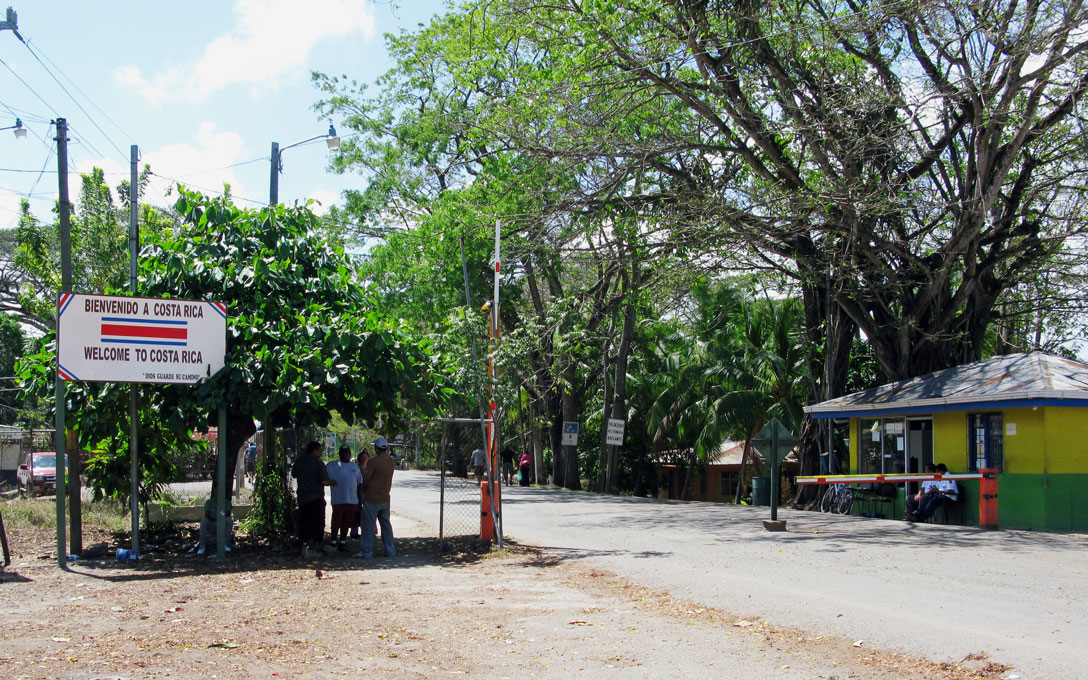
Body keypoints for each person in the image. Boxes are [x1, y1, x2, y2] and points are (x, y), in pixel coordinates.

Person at [292, 440, 337, 559]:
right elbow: (324, 481)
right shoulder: (318, 463)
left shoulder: (299, 461)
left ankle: (303, 546)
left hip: (303, 498)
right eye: (320, 450)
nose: (321, 452)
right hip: (315, 498)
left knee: (304, 523)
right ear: (315, 450)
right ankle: (312, 549)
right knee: (316, 524)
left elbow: (294, 474)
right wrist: (334, 482)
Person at [356, 437, 395, 559]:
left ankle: (366, 552)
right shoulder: (391, 462)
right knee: (386, 526)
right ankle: (390, 551)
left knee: (368, 526)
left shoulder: (373, 462)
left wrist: (364, 490)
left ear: (377, 448)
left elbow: (366, 479)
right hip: (385, 498)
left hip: (372, 498)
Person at [326, 445, 363, 551]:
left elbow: (360, 483)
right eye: (343, 453)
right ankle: (333, 541)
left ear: (350, 454)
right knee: (336, 521)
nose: (345, 455)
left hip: (351, 500)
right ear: (339, 454)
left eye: (347, 453)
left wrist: (360, 500)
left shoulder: (354, 467)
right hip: (338, 499)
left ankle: (343, 541)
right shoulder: (331, 466)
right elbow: (324, 478)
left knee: (347, 522)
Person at [197, 484, 233, 556]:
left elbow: (227, 514)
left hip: (222, 525)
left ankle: (225, 544)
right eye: (217, 491)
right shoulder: (209, 502)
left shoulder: (227, 502)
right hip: (212, 525)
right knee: (204, 520)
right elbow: (207, 515)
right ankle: (202, 546)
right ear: (214, 492)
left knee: (229, 520)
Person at [350, 449, 370, 539]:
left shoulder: (369, 468)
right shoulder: (356, 468)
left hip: (367, 492)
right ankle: (354, 531)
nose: (364, 459)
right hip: (357, 492)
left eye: (366, 457)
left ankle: (365, 531)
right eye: (363, 458)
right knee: (356, 512)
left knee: (366, 513)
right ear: (359, 458)